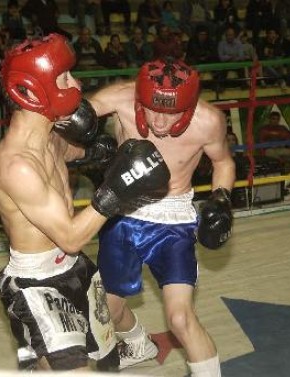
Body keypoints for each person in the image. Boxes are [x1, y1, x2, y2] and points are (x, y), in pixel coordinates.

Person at [0, 34, 170, 372]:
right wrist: (117, 187)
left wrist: (107, 153)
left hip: (73, 268)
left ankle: (38, 360)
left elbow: (75, 152)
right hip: (37, 285)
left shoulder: (50, 136)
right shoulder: (18, 165)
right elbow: (71, 236)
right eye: (64, 77)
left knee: (106, 363)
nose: (75, 83)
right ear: (30, 90)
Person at [89, 58, 235, 375]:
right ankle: (141, 344)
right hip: (123, 212)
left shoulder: (209, 120)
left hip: (175, 220)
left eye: (171, 113)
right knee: (107, 313)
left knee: (180, 319)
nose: (159, 122)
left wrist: (221, 199)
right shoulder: (120, 98)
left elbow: (223, 162)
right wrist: (86, 141)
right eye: (152, 109)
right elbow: (69, 116)